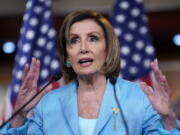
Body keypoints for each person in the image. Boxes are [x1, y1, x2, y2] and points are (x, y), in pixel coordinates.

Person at [0, 10, 179, 135]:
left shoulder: (139, 97)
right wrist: (20, 114)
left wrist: (168, 118)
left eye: (93, 39)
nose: (83, 48)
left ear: (108, 49)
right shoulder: (48, 103)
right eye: (74, 40)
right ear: (67, 54)